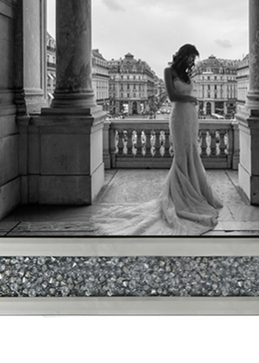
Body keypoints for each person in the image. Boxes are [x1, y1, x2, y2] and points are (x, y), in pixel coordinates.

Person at [94, 44, 224, 235]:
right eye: (190, 58)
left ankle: (195, 191)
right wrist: (191, 100)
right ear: (183, 55)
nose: (192, 62)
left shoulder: (188, 74)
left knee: (193, 151)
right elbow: (172, 96)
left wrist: (192, 102)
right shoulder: (168, 71)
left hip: (191, 115)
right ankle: (179, 195)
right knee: (181, 154)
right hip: (179, 114)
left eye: (193, 60)